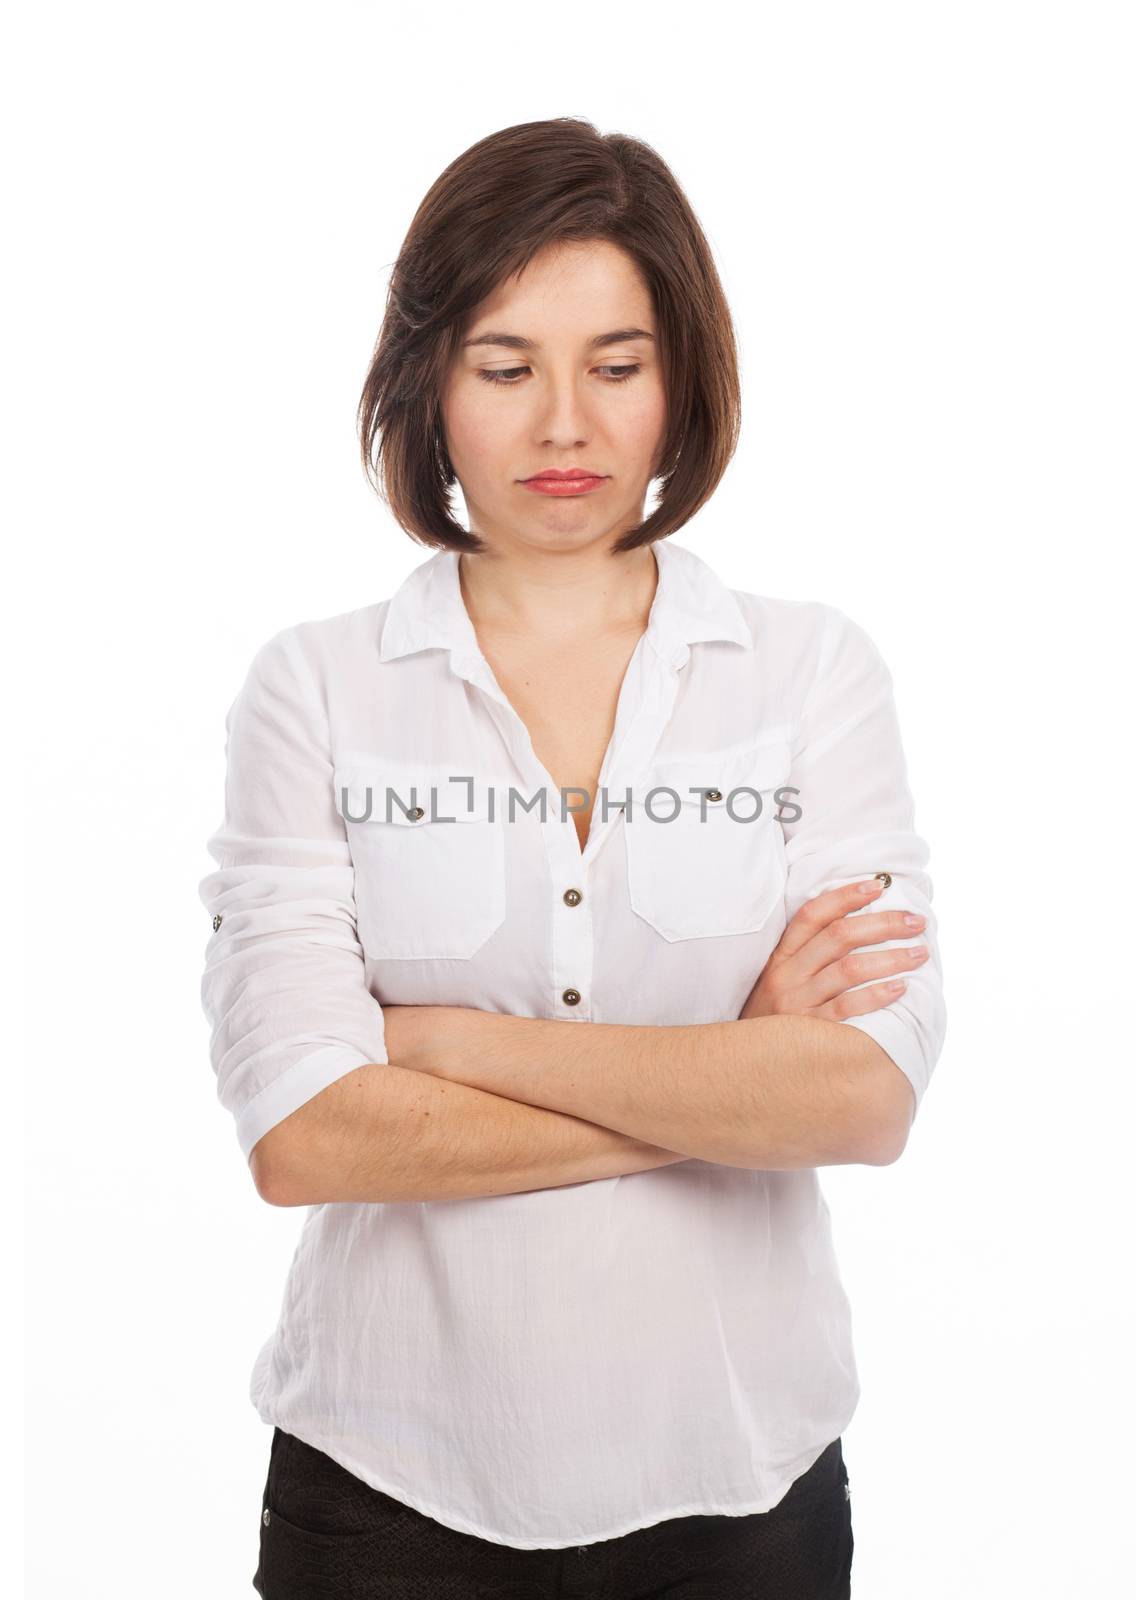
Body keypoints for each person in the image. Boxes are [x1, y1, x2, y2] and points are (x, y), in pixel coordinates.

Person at [198, 116, 946, 1599]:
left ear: (681, 384)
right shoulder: (317, 688)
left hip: (744, 1494)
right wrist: (732, 1078)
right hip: (386, 1494)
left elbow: (864, 1095)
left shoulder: (809, 673)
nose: (563, 426)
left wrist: (447, 1047)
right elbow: (306, 1135)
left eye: (616, 365)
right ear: (427, 385)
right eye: (504, 366)